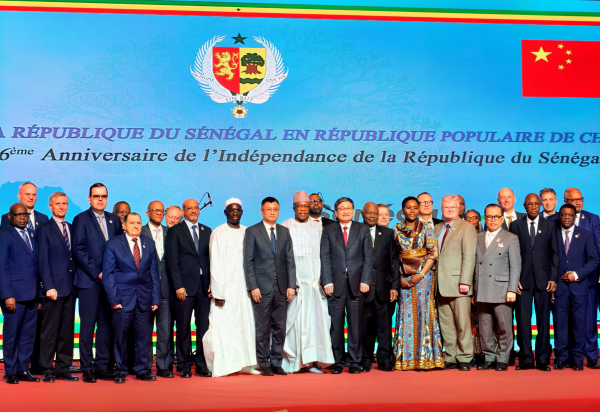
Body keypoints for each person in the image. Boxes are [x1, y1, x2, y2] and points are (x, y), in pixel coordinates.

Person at [72, 183, 123, 383]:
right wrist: (98, 273)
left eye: (103, 196)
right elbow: (78, 249)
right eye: (96, 196)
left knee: (106, 326)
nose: (100, 199)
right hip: (89, 281)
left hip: (110, 283)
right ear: (89, 198)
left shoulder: (114, 220)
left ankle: (102, 366)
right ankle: (86, 367)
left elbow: (119, 248)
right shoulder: (80, 219)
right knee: (87, 326)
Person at [202, 198, 259, 377]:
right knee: (225, 326)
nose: (235, 213)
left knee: (245, 325)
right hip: (225, 289)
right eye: (231, 210)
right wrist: (218, 291)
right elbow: (215, 262)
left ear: (242, 212)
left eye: (238, 210)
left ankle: (246, 363)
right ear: (225, 212)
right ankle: (226, 364)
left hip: (244, 287)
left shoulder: (247, 232)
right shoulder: (218, 232)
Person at [103, 212, 161, 383]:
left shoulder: (149, 243)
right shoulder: (113, 243)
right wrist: (113, 299)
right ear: (124, 225)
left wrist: (155, 298)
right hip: (122, 300)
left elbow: (154, 273)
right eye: (132, 223)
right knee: (120, 337)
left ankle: (143, 369)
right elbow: (108, 274)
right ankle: (121, 370)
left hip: (144, 298)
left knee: (144, 337)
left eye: (138, 223)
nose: (136, 226)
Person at [281, 191, 334, 373]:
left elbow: (325, 255)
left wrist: (323, 279)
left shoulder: (319, 227)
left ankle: (313, 361)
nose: (303, 209)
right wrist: (289, 283)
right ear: (294, 208)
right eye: (299, 207)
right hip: (295, 284)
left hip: (314, 285)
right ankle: (294, 362)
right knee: (294, 323)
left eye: (305, 206)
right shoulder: (285, 226)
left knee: (316, 322)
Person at [244, 197, 296, 376]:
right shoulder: (252, 231)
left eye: (275, 209)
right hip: (261, 288)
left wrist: (291, 285)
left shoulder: (284, 232)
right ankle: (264, 362)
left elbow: (290, 260)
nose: (272, 212)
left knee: (280, 327)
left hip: (282, 287)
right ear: (262, 211)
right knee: (263, 328)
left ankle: (276, 362)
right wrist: (253, 286)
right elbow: (248, 261)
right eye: (269, 209)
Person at [321, 197, 373, 374]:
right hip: (335, 285)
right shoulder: (328, 229)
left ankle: (354, 362)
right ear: (336, 212)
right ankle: (336, 362)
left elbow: (368, 257)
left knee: (355, 326)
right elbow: (324, 257)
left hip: (357, 285)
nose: (345, 211)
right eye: (342, 208)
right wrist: (327, 281)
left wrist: (365, 280)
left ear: (353, 210)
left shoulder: (362, 229)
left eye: (349, 208)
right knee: (335, 326)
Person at [393, 197, 443, 371]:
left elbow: (433, 255)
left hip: (424, 278)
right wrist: (399, 278)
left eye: (415, 207)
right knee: (405, 315)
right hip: (403, 278)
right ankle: (406, 359)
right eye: (409, 207)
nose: (412, 210)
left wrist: (420, 275)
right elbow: (392, 258)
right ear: (403, 210)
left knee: (424, 313)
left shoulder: (427, 229)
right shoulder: (395, 231)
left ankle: (425, 358)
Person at [510, 194, 558, 372]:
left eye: (536, 204)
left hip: (543, 281)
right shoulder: (515, 225)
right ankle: (526, 359)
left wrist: (553, 278)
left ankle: (543, 359)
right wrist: (514, 279)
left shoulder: (549, 225)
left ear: (540, 205)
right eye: (529, 204)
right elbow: (512, 254)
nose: (533, 207)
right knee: (523, 322)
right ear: (524, 206)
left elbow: (555, 254)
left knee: (544, 322)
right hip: (522, 282)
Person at [165, 199, 212, 378]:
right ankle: (184, 364)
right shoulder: (175, 231)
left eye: (196, 208)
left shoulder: (207, 230)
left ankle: (201, 364)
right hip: (183, 287)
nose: (193, 210)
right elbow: (172, 260)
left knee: (203, 327)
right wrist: (178, 285)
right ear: (183, 211)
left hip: (204, 287)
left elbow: (210, 259)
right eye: (189, 208)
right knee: (183, 327)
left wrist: (212, 283)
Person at [554, 188, 600, 368]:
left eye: (570, 215)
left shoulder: (585, 234)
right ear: (560, 215)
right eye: (564, 214)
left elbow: (594, 258)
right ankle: (561, 358)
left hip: (580, 286)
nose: (567, 217)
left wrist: (577, 274)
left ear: (575, 217)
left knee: (580, 324)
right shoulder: (553, 233)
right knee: (560, 324)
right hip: (559, 286)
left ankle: (578, 359)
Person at [474, 204, 521, 372]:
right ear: (484, 218)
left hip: (501, 289)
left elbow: (515, 266)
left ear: (502, 219)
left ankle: (503, 358)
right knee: (484, 327)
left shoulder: (510, 238)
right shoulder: (478, 237)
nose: (492, 220)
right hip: (481, 288)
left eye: (496, 217)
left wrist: (512, 289)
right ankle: (489, 357)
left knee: (504, 327)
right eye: (489, 217)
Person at [36, 192, 78, 382]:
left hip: (70, 288)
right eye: (58, 203)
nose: (61, 206)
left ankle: (63, 367)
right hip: (53, 289)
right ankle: (46, 368)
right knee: (50, 331)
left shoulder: (72, 228)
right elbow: (43, 261)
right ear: (50, 206)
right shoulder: (44, 229)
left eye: (64, 203)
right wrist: (48, 286)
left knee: (66, 331)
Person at [434, 195, 477, 371]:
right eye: (446, 207)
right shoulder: (437, 228)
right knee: (446, 324)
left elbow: (469, 256)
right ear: (441, 209)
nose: (449, 210)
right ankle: (451, 356)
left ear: (459, 208)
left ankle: (465, 357)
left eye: (453, 207)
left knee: (463, 324)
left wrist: (465, 281)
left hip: (460, 285)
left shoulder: (467, 227)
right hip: (439, 285)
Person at [0, 203, 40, 384]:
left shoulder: (32, 234)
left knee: (27, 336)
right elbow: (2, 268)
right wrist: (7, 295)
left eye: (25, 215)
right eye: (18, 215)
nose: (23, 218)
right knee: (12, 335)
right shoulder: (4, 236)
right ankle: (10, 371)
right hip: (14, 296)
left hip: (32, 295)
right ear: (10, 216)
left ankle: (23, 369)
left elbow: (36, 266)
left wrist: (39, 295)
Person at [360, 202, 399, 372]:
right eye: (369, 213)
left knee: (384, 326)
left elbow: (393, 261)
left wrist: (394, 286)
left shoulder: (388, 233)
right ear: (362, 214)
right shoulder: (357, 231)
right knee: (365, 327)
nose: (372, 216)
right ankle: (366, 358)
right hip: (363, 289)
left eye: (375, 214)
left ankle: (384, 358)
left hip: (384, 288)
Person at [141, 201, 174, 378]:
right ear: (147, 213)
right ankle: (145, 367)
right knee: (145, 332)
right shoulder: (140, 231)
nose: (159, 213)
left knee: (165, 331)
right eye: (155, 210)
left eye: (162, 211)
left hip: (166, 289)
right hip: (145, 290)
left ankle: (163, 366)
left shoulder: (171, 232)